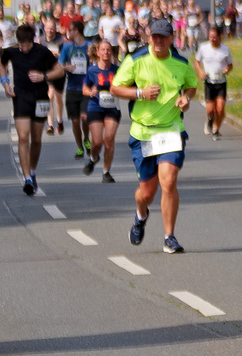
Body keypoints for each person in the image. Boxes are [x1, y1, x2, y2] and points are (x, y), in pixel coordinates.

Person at [108, 18, 197, 253]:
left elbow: (191, 85)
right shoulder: (135, 60)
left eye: (163, 37)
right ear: (149, 37)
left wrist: (185, 98)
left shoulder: (180, 62)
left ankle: (170, 236)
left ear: (171, 38)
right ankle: (141, 214)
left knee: (168, 181)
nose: (158, 41)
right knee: (146, 193)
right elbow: (115, 88)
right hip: (143, 132)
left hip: (170, 129)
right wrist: (140, 92)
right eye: (154, 36)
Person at [1, 23, 64, 195]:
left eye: (27, 45)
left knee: (36, 139)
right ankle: (27, 178)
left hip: (41, 97)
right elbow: (1, 62)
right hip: (21, 97)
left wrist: (43, 76)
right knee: (23, 137)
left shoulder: (42, 51)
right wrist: (5, 82)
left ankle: (33, 171)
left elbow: (59, 71)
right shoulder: (12, 51)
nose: (24, 48)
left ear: (32, 41)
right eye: (21, 45)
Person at [81, 38, 122, 182]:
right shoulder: (92, 70)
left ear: (112, 53)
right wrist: (89, 92)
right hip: (95, 107)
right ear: (98, 52)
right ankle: (93, 158)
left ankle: (106, 172)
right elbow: (84, 88)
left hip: (112, 108)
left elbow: (125, 86)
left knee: (109, 139)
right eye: (103, 50)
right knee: (97, 142)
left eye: (109, 50)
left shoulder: (117, 70)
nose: (106, 52)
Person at [58, 21, 91, 158]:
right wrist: (66, 67)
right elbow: (59, 65)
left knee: (85, 117)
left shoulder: (89, 46)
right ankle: (79, 147)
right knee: (75, 121)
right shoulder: (67, 48)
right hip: (71, 88)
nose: (68, 33)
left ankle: (86, 139)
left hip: (85, 87)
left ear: (76, 31)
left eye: (70, 30)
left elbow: (96, 62)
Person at [194, 25, 233, 138]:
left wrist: (227, 69)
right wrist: (201, 72)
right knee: (210, 109)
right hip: (209, 82)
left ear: (220, 36)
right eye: (210, 37)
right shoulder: (203, 48)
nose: (212, 39)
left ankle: (216, 129)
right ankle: (209, 120)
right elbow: (197, 61)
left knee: (220, 109)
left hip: (221, 82)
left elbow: (230, 64)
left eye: (215, 37)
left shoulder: (225, 49)